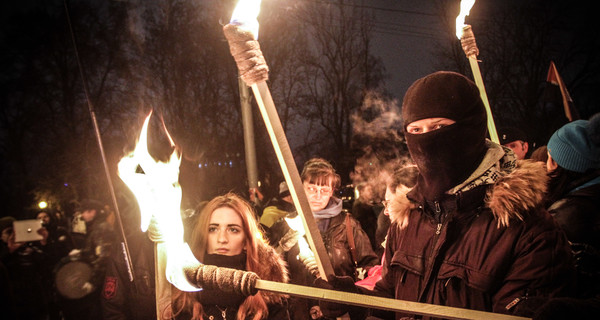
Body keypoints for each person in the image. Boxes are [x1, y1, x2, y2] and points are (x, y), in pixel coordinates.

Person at [317, 71, 576, 319]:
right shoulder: (408, 219)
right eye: (416, 131)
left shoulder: (528, 230)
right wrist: (360, 303)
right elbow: (392, 300)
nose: (427, 141)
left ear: (471, 129)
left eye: (438, 126)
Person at [170, 193, 290, 320]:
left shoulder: (269, 293)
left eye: (233, 230)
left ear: (246, 240)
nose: (222, 239)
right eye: (213, 229)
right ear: (203, 236)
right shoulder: (183, 295)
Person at [534, 113, 600, 318]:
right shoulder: (588, 196)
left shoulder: (565, 215)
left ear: (561, 165)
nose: (545, 166)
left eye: (550, 160)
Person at [355, 165, 418, 291]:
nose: (386, 212)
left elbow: (391, 287)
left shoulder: (408, 237)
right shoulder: (396, 232)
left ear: (405, 201)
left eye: (389, 202)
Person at [59, 199, 116, 320]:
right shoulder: (96, 227)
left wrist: (93, 282)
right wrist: (81, 252)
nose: (82, 216)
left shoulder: (102, 228)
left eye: (84, 212)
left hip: (102, 281)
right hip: (99, 278)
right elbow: (93, 250)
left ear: (92, 212)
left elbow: (103, 258)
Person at [0, 215, 51, 319]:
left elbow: (47, 266)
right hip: (14, 305)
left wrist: (44, 242)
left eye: (15, 231)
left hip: (35, 303)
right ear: (1, 236)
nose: (13, 235)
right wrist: (9, 251)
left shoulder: (30, 249)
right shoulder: (3, 254)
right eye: (9, 232)